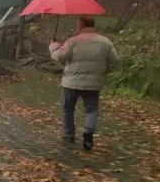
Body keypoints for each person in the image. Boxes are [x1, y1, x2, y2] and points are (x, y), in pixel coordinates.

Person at [49, 16, 119, 151]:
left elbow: (60, 57)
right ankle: (88, 132)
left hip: (71, 83)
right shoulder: (105, 42)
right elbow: (115, 61)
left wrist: (53, 47)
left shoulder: (73, 41)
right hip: (93, 84)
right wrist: (102, 71)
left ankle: (68, 135)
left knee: (68, 109)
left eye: (78, 25)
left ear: (81, 26)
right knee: (91, 109)